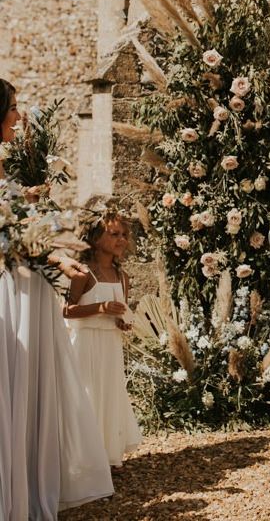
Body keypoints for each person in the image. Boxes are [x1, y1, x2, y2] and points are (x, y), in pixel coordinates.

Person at [0, 78, 114, 519]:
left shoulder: (4, 166)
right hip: (13, 287)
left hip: (27, 282)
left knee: (27, 383)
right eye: (12, 106)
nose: (16, 114)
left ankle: (26, 478)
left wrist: (25, 199)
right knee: (15, 380)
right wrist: (58, 260)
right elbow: (7, 236)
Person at [64, 206, 141, 468]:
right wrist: (100, 308)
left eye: (124, 235)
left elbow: (122, 313)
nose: (122, 240)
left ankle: (108, 456)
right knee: (86, 397)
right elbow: (65, 311)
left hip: (110, 346)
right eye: (114, 234)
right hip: (84, 345)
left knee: (109, 397)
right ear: (96, 238)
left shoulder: (123, 277)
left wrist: (122, 321)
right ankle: (82, 459)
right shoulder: (83, 274)